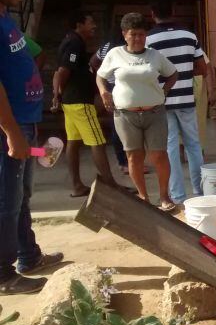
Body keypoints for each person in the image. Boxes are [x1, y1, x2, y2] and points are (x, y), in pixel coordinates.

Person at [0, 0, 63, 294]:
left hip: (25, 122)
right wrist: (11, 133)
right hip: (9, 126)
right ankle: (3, 273)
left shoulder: (8, 20)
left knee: (21, 197)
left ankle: (28, 255)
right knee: (6, 201)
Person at [96, 12, 179, 212]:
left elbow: (173, 73)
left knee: (159, 155)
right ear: (125, 34)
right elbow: (100, 76)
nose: (138, 38)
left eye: (141, 34)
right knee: (134, 157)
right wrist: (104, 92)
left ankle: (164, 196)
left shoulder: (154, 55)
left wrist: (164, 92)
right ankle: (143, 196)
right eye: (133, 34)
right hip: (126, 115)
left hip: (155, 113)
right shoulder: (115, 54)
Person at [51, 11, 123, 197]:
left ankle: (77, 186)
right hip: (79, 101)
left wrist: (59, 95)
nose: (94, 26)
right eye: (90, 22)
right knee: (97, 141)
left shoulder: (71, 41)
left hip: (71, 101)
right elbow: (62, 71)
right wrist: (58, 94)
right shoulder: (74, 43)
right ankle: (111, 185)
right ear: (79, 24)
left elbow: (61, 72)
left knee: (73, 142)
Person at [147, 0, 207, 204]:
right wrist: (185, 73)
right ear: (173, 10)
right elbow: (202, 69)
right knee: (193, 145)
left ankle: (178, 196)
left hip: (161, 101)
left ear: (152, 14)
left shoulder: (148, 40)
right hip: (187, 99)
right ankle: (200, 194)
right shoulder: (189, 36)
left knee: (170, 147)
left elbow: (148, 73)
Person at [90, 29, 130, 174]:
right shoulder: (124, 48)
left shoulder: (106, 46)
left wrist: (104, 75)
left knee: (118, 125)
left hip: (111, 86)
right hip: (121, 88)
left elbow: (93, 61)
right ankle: (125, 162)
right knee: (122, 126)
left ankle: (124, 161)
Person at [192, 51, 216, 152]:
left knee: (199, 120)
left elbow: (208, 68)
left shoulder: (194, 47)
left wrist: (211, 91)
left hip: (197, 86)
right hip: (179, 88)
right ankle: (180, 151)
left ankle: (199, 150)